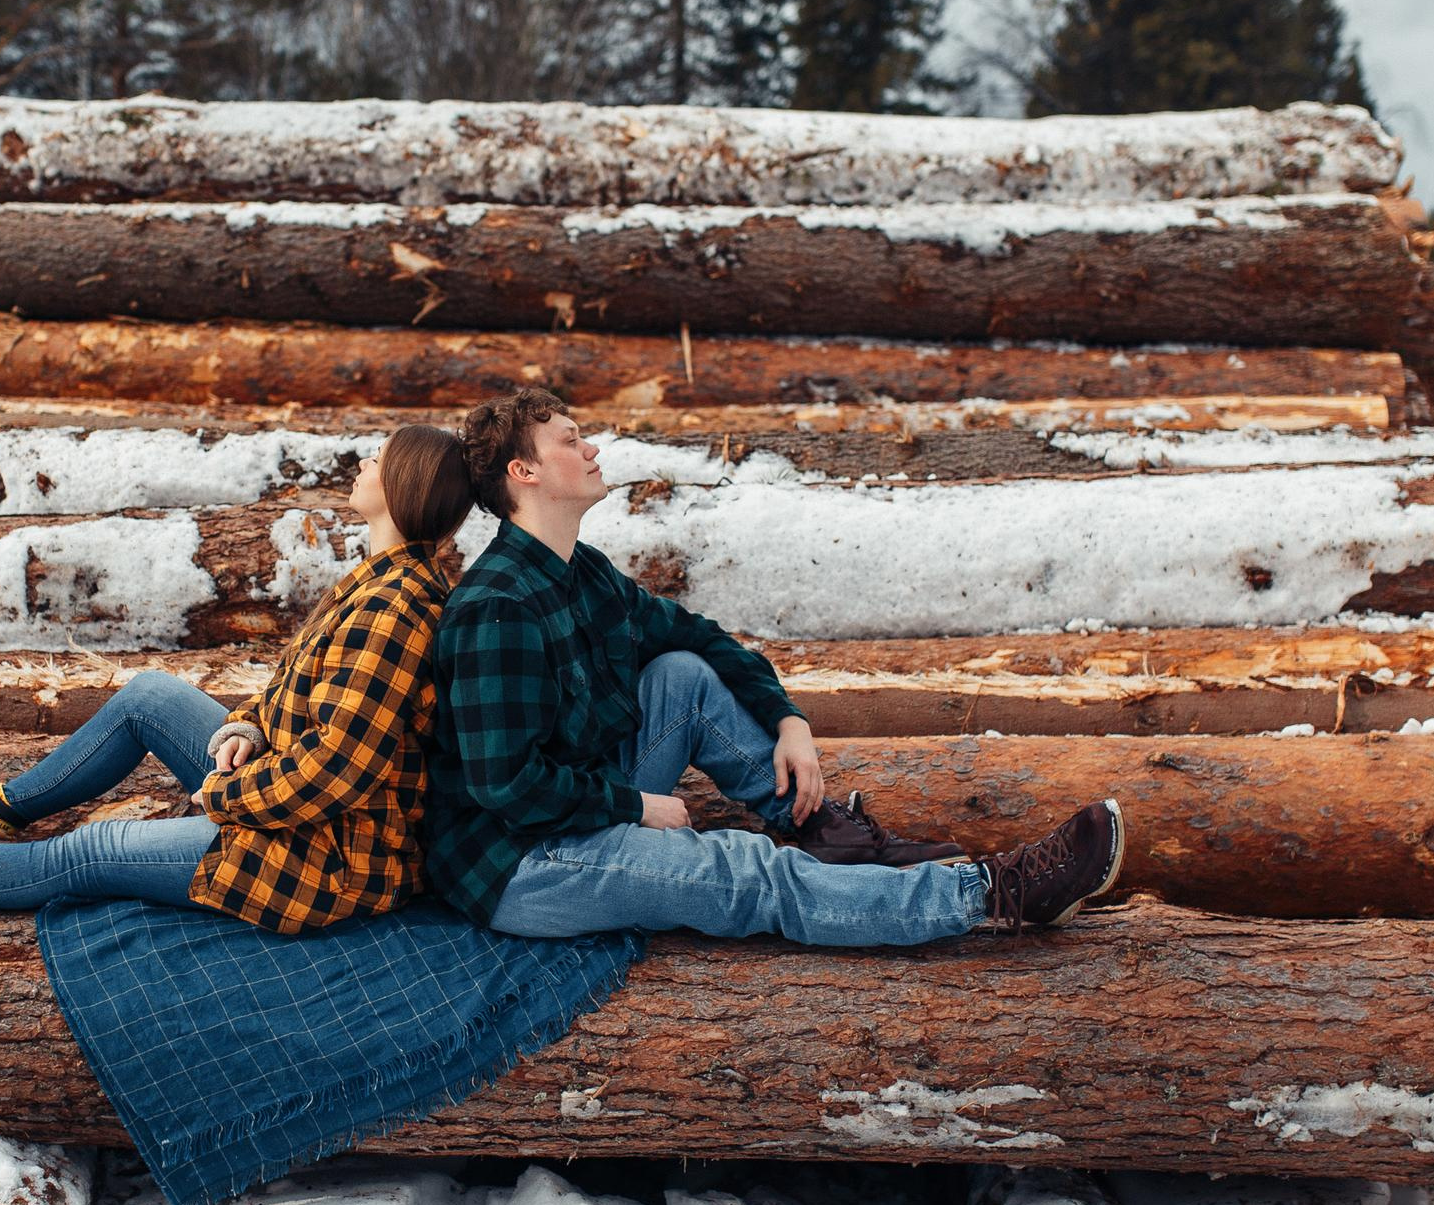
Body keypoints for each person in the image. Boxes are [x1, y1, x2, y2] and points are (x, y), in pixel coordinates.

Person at [423, 389, 1125, 948]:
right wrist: (635, 807)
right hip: (524, 863)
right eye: (571, 440)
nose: (593, 447)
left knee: (681, 675)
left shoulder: (582, 573)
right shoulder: (500, 607)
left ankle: (823, 831)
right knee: (745, 872)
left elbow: (697, 636)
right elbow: (504, 783)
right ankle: (992, 894)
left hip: (573, 811)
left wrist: (788, 718)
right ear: (526, 471)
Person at [0, 424, 474, 934]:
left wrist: (230, 791)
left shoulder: (396, 611)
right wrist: (247, 725)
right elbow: (297, 683)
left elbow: (337, 771)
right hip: (288, 796)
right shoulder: (378, 582)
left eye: (379, 457)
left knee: (91, 852)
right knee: (150, 697)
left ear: (402, 486)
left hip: (319, 856)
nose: (364, 461)